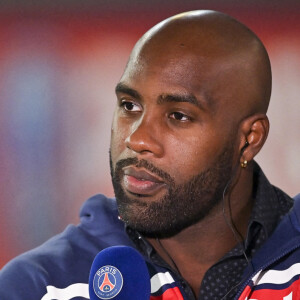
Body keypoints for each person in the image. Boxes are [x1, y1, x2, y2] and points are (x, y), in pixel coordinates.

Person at [0, 10, 299, 300]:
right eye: (130, 106)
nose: (138, 139)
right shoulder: (40, 287)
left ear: (249, 140)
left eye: (179, 116)